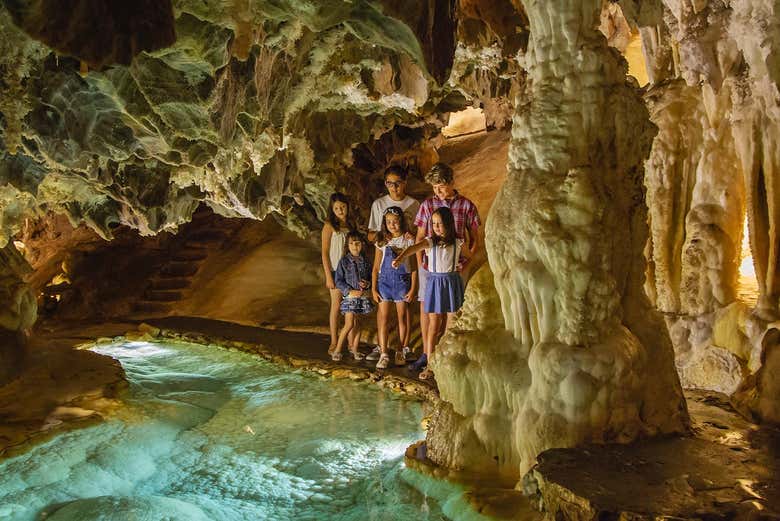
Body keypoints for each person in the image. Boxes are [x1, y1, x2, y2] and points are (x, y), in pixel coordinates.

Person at [412, 163, 481, 373]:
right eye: (434, 188)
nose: (438, 192)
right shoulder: (427, 205)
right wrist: (420, 265)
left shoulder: (466, 205)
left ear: (451, 182)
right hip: (429, 266)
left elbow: (474, 239)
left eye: (441, 186)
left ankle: (447, 354)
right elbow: (420, 236)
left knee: (452, 309)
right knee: (429, 309)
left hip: (456, 266)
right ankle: (427, 353)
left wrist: (466, 265)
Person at [393, 207, 466, 380]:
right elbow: (414, 248)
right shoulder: (430, 242)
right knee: (434, 323)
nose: (436, 227)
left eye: (440, 224)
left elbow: (468, 254)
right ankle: (430, 364)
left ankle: (446, 359)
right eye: (434, 224)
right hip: (434, 282)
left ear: (449, 224)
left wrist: (462, 266)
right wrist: (401, 257)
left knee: (452, 319)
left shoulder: (457, 242)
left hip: (451, 281)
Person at [366, 164, 420, 361]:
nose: (394, 187)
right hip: (385, 265)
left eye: (397, 183)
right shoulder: (378, 205)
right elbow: (370, 234)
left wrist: (409, 237)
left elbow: (420, 236)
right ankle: (383, 348)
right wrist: (384, 236)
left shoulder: (414, 205)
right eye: (389, 183)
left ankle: (403, 347)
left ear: (404, 183)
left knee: (403, 310)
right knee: (383, 312)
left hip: (406, 263)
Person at [371, 206, 417, 369]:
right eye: (388, 222)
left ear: (401, 222)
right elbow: (376, 266)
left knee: (402, 317)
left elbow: (413, 267)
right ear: (384, 223)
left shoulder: (408, 240)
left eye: (395, 222)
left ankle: (400, 350)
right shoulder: (381, 240)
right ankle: (383, 353)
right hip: (384, 283)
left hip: (402, 282)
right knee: (383, 318)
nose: (392, 225)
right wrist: (374, 288)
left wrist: (412, 288)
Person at [321, 193, 356, 356]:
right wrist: (329, 275)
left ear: (347, 206)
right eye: (336, 208)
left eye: (342, 207)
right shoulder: (329, 226)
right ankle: (334, 340)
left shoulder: (351, 225)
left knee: (350, 307)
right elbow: (324, 252)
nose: (340, 210)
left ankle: (350, 342)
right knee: (336, 306)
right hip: (336, 271)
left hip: (351, 272)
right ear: (332, 209)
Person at [332, 231, 373, 361]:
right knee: (349, 324)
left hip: (361, 297)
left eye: (357, 243)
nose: (355, 246)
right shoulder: (344, 262)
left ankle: (355, 350)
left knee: (358, 324)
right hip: (350, 298)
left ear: (362, 244)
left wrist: (367, 284)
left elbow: (370, 278)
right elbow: (338, 280)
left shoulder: (365, 261)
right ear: (347, 246)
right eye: (351, 243)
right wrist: (349, 291)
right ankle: (337, 350)